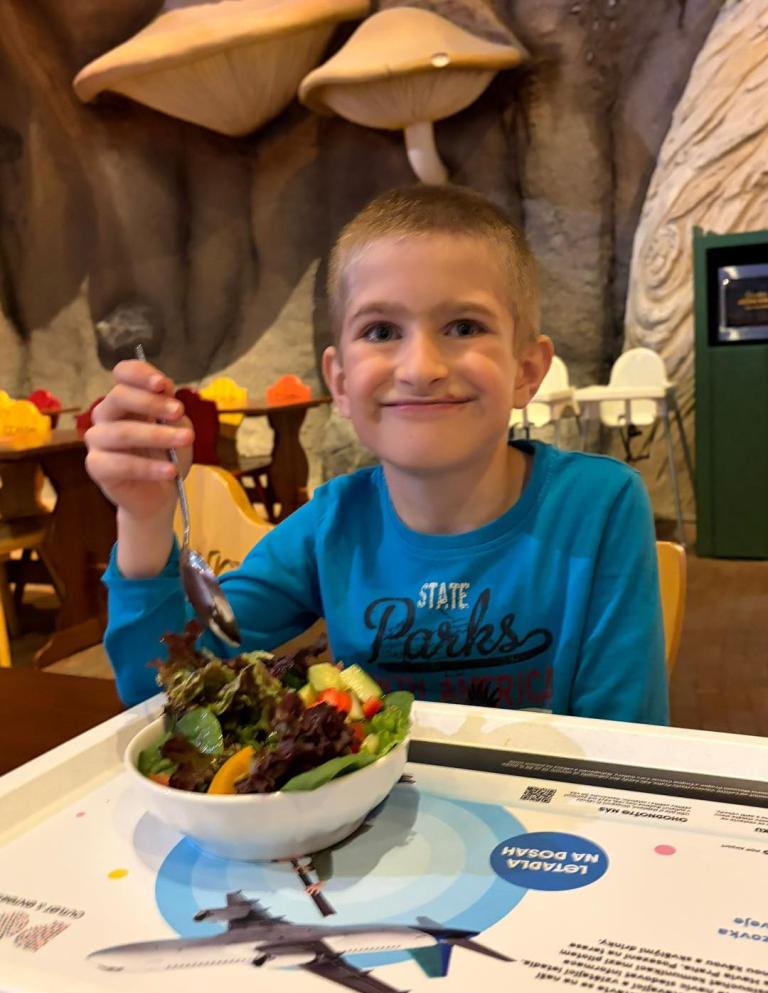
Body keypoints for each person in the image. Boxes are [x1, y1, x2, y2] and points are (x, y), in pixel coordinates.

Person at [85, 184, 669, 724]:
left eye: (464, 327)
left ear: (526, 370)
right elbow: (167, 692)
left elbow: (628, 749)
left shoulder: (599, 506)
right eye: (382, 331)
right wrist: (144, 519)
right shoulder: (331, 525)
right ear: (339, 382)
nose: (421, 368)